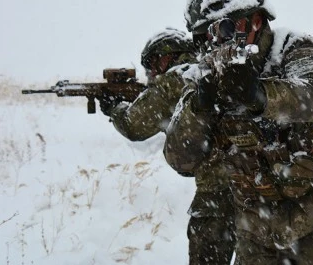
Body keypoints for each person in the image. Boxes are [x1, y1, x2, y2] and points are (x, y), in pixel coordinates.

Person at [164, 0, 313, 265]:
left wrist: (260, 95)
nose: (216, 41)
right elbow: (180, 159)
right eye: (204, 35)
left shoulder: (293, 48)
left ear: (257, 20)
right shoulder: (205, 75)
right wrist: (200, 107)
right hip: (256, 232)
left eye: (224, 29)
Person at [99, 28, 236, 265]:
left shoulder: (175, 79)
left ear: (166, 56)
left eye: (152, 64)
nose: (151, 73)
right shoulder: (210, 70)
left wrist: (114, 108)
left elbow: (134, 125)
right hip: (256, 184)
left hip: (219, 190)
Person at [99, 27, 196, 141]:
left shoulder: (170, 83)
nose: (153, 71)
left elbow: (131, 127)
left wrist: (113, 108)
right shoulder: (199, 68)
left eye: (154, 61)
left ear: (168, 55)